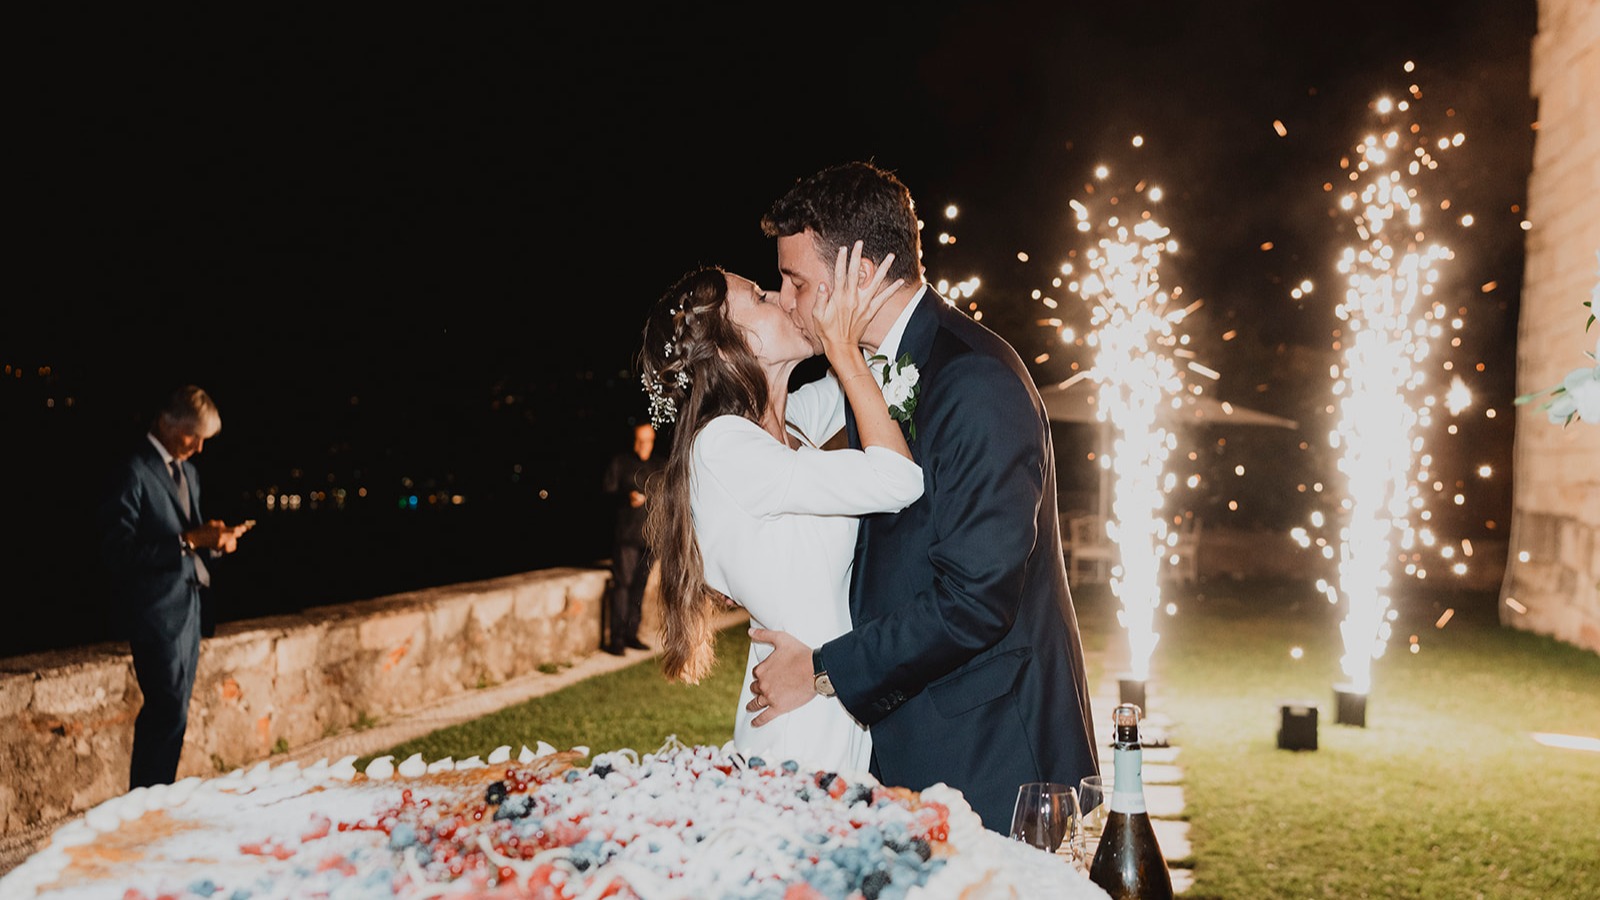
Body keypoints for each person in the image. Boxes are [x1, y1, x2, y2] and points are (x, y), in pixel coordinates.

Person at [744, 160, 1100, 833]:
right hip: (915, 736)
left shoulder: (973, 381)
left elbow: (975, 598)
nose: (786, 300)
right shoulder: (875, 370)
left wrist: (823, 672)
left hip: (992, 753)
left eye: (795, 282)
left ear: (862, 274)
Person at [637, 240, 921, 773]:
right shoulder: (722, 447)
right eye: (765, 297)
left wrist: (863, 288)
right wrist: (840, 350)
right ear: (729, 348)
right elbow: (898, 478)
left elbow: (868, 378)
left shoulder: (787, 429)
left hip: (829, 694)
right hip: (799, 727)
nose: (788, 300)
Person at [95, 384, 254, 789]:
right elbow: (117, 553)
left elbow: (192, 539)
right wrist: (189, 541)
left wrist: (218, 541)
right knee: (166, 713)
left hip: (191, 610)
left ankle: (156, 801)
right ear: (166, 422)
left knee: (176, 714)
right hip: (153, 614)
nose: (199, 447)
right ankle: (145, 804)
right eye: (192, 435)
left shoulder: (190, 473)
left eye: (205, 439)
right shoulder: (133, 469)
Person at [599, 422, 664, 655]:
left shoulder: (659, 466)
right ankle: (616, 639)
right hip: (626, 538)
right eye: (640, 439)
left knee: (640, 588)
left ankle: (631, 634)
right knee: (622, 587)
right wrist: (626, 497)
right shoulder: (621, 463)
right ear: (633, 440)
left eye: (648, 440)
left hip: (650, 540)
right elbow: (605, 494)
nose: (643, 445)